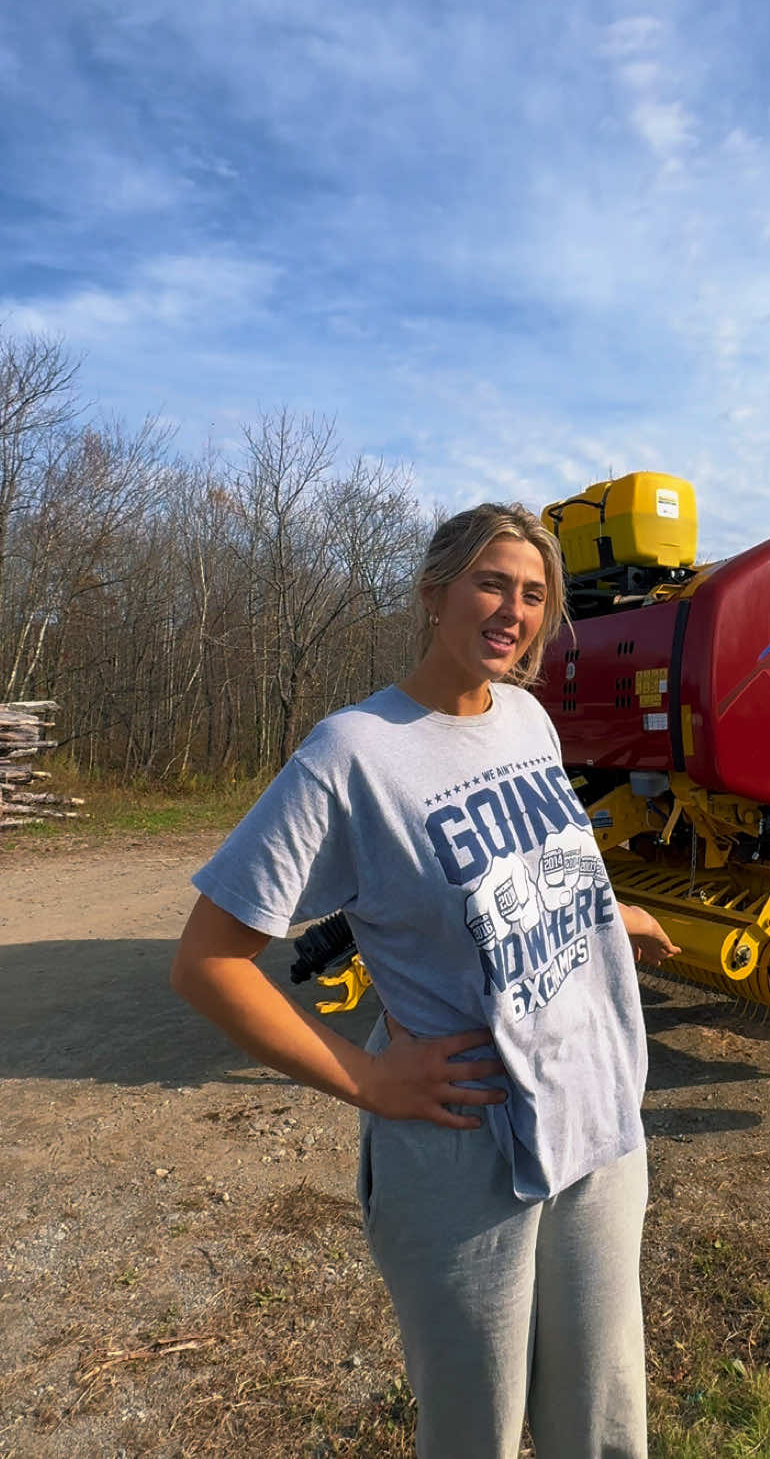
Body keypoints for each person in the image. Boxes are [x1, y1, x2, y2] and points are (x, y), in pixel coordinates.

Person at [171, 501, 679, 1459]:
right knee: (475, 1430)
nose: (513, 610)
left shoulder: (527, 717)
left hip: (598, 1116)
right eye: (492, 583)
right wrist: (368, 1080)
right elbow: (206, 961)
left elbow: (540, 860)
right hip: (465, 1151)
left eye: (534, 593)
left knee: (604, 1420)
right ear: (434, 592)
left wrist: (618, 915)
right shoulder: (353, 754)